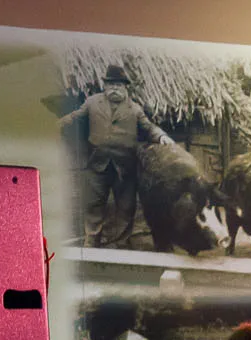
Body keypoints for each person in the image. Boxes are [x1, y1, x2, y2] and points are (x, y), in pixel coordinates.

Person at [58, 66, 174, 247]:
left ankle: (120, 243)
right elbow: (76, 116)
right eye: (110, 84)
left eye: (118, 85)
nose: (114, 88)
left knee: (126, 207)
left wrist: (162, 136)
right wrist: (57, 123)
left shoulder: (134, 109)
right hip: (97, 163)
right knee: (93, 205)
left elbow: (149, 127)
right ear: (104, 86)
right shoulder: (92, 102)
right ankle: (92, 243)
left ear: (125, 87)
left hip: (125, 167)